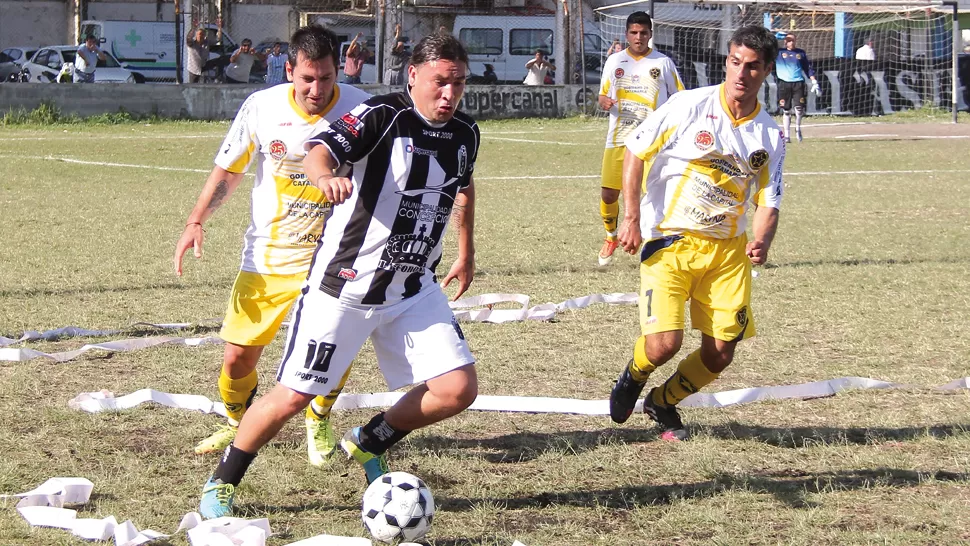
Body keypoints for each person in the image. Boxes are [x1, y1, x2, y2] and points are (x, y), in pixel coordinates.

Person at [198, 32, 480, 519]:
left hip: (413, 287)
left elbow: (463, 187)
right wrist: (325, 175)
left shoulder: (466, 132)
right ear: (412, 76)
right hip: (344, 288)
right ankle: (223, 480)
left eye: (458, 83)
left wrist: (466, 249)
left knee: (457, 389)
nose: (449, 94)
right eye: (440, 82)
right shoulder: (381, 115)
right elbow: (319, 150)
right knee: (293, 395)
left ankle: (370, 440)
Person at [174, 25, 370, 465]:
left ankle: (319, 416)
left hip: (334, 259)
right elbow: (229, 170)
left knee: (328, 353)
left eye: (326, 77)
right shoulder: (262, 107)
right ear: (289, 71)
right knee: (237, 360)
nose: (317, 88)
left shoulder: (362, 107)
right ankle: (235, 422)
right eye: (307, 78)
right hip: (268, 258)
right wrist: (196, 219)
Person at [608, 25, 785, 442]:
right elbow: (635, 150)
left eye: (753, 66)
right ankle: (634, 375)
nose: (741, 73)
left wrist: (762, 239)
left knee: (720, 353)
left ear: (767, 71)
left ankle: (663, 402)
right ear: (727, 61)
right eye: (735, 62)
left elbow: (770, 198)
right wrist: (630, 218)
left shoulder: (771, 135)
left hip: (727, 254)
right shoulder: (689, 104)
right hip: (671, 241)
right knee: (663, 345)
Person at [596, 11, 683, 267]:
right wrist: (603, 101)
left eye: (643, 33)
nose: (638, 37)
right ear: (626, 34)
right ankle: (611, 236)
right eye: (633, 33)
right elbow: (602, 94)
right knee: (609, 194)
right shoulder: (614, 61)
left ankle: (651, 243)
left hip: (651, 142)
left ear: (650, 35)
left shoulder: (663, 63)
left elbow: (681, 96)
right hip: (618, 136)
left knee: (650, 196)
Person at [775, 34, 818, 143]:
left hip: (798, 83)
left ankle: (798, 129)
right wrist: (775, 38)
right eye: (789, 40)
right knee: (786, 110)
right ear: (785, 42)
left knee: (799, 109)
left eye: (793, 40)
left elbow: (807, 68)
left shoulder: (800, 53)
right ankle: (787, 135)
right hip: (784, 84)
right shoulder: (779, 52)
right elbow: (768, 48)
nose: (791, 42)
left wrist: (814, 81)